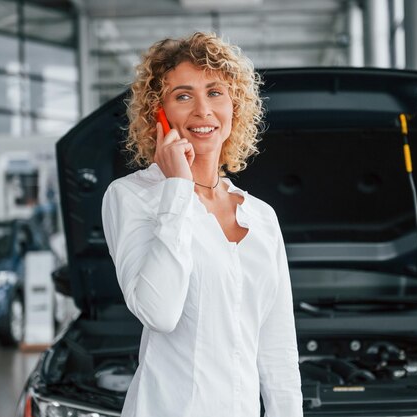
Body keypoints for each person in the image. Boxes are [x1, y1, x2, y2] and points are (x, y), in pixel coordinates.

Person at [101, 32, 302, 417]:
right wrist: (177, 188)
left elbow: (277, 345)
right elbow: (159, 312)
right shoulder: (131, 197)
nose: (202, 111)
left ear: (235, 107)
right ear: (156, 114)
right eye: (182, 96)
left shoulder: (260, 216)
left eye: (215, 92)